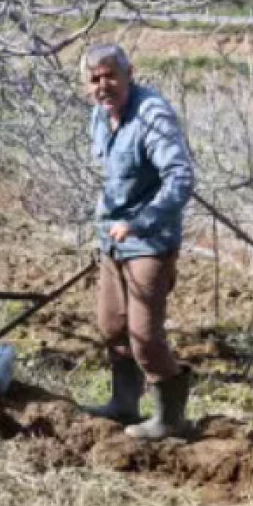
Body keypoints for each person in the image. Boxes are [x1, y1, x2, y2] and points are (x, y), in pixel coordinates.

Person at [81, 43, 195, 440]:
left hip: (150, 240)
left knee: (144, 337)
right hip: (113, 240)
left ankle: (170, 419)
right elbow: (115, 177)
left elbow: (180, 178)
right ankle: (123, 404)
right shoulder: (100, 115)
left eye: (111, 75)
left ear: (130, 73)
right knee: (112, 328)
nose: (103, 85)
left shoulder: (152, 114)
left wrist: (141, 220)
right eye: (95, 79)